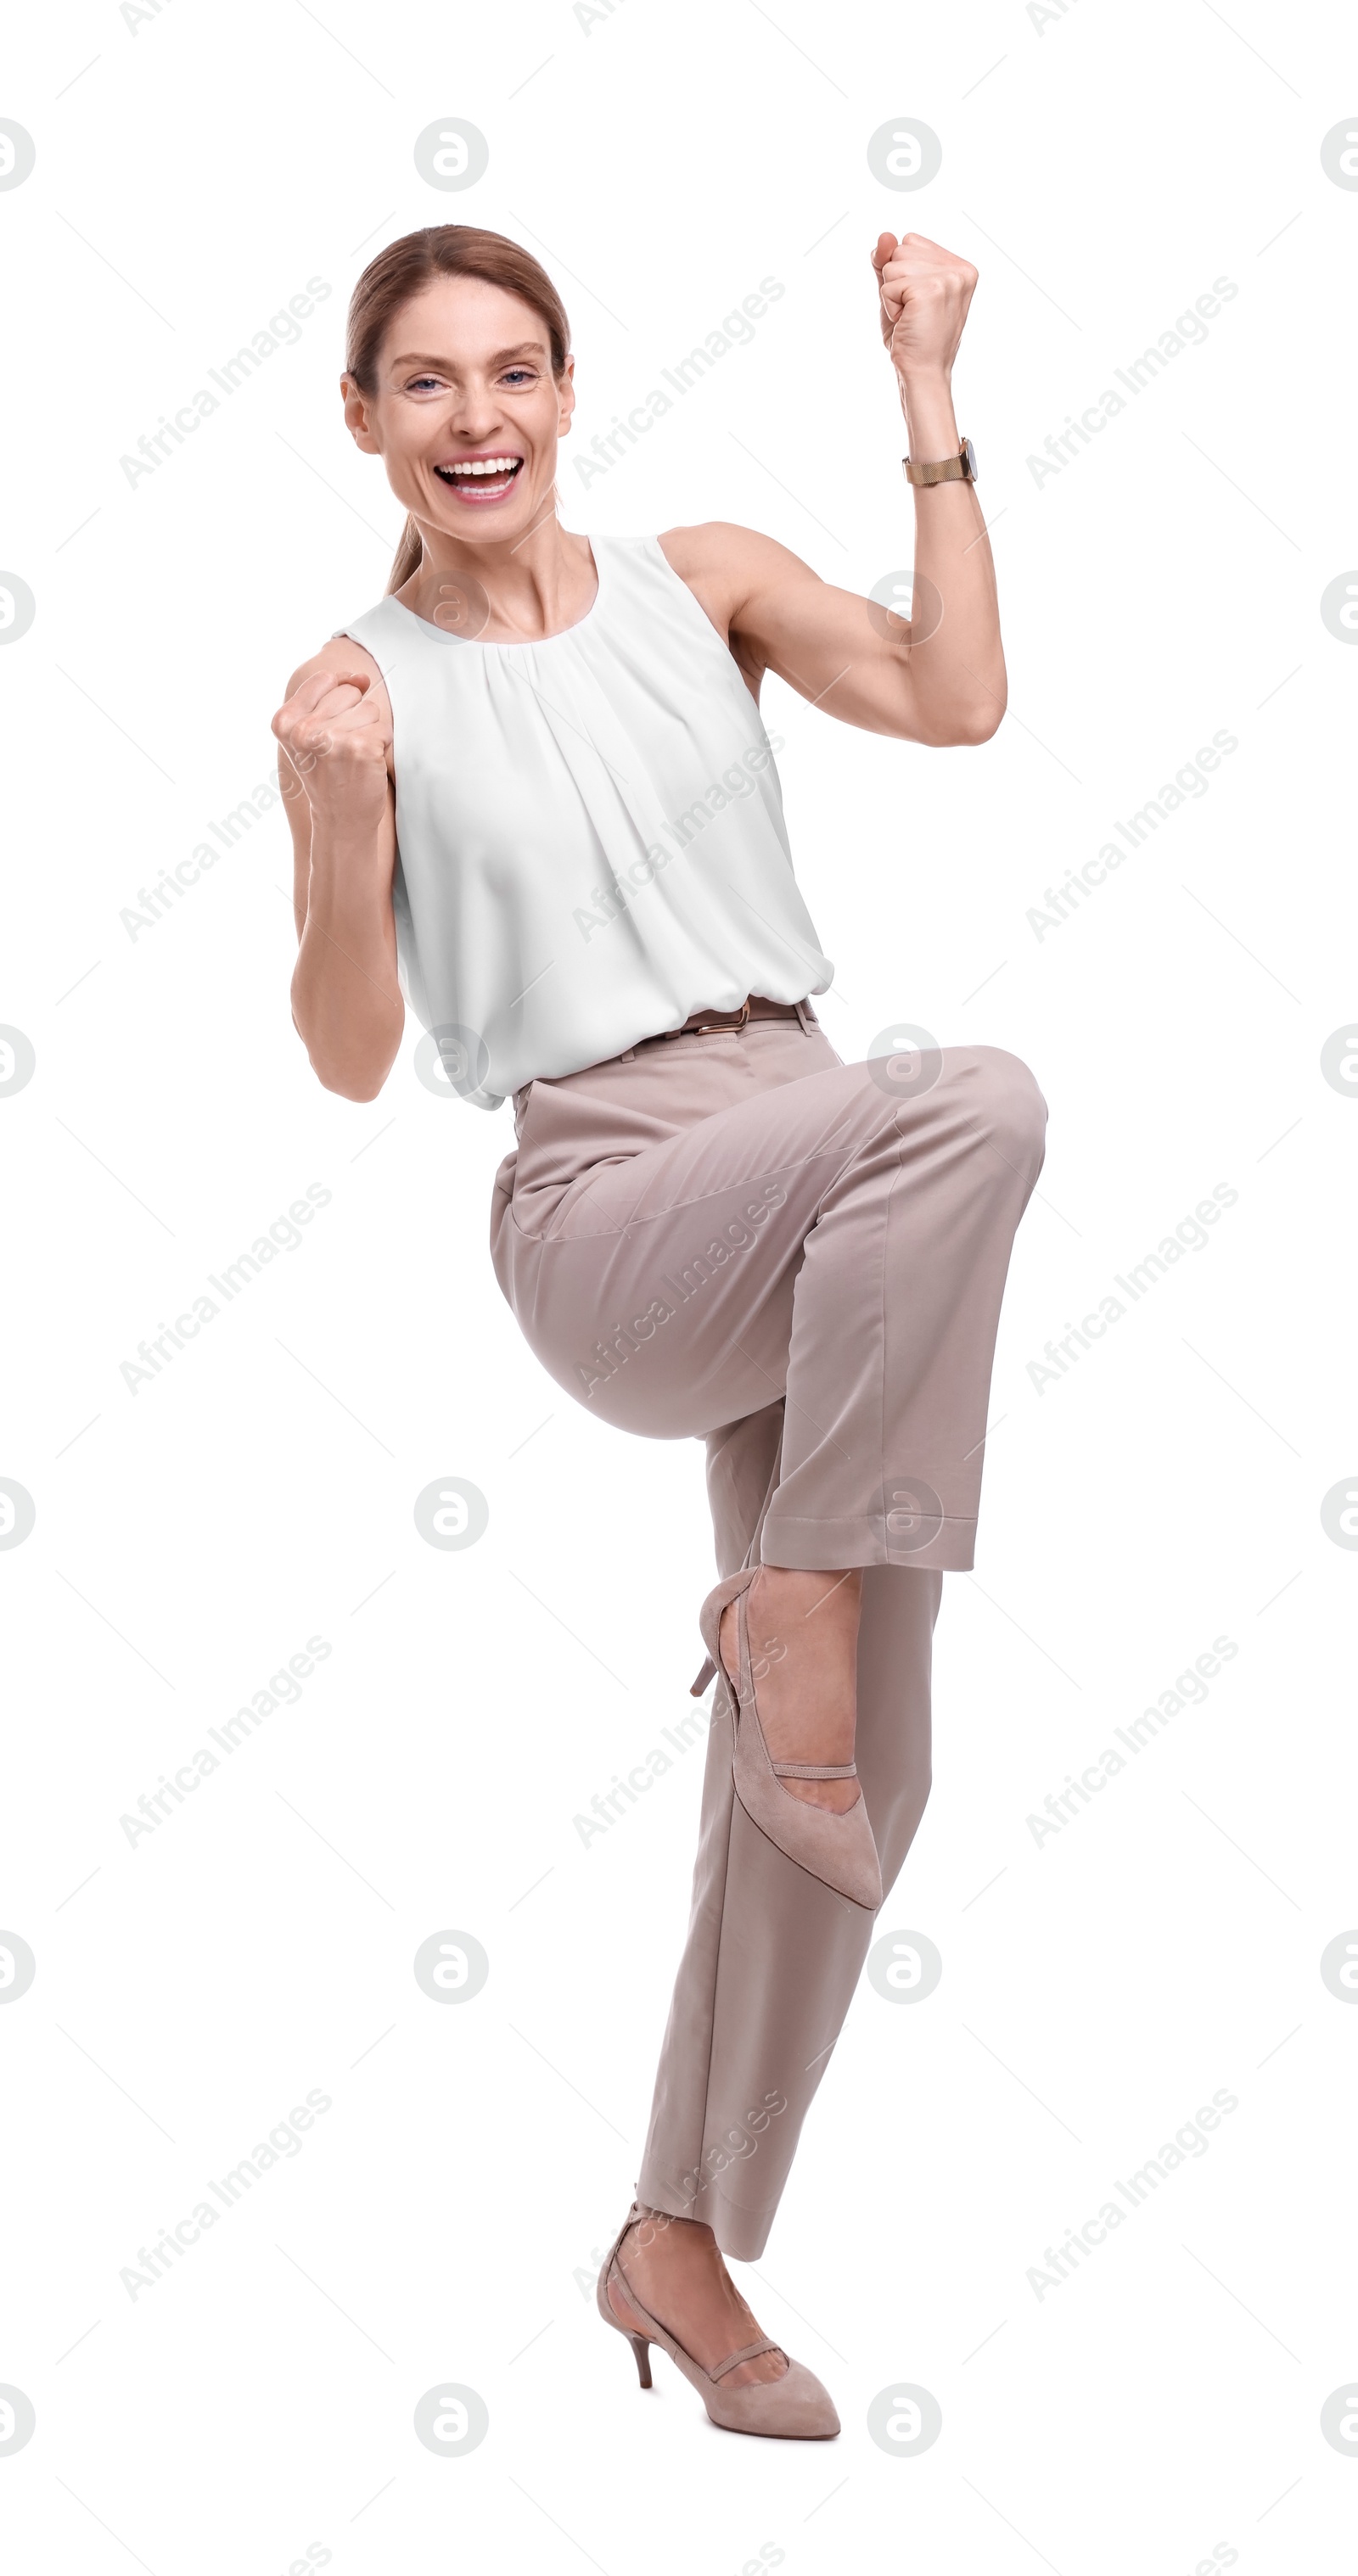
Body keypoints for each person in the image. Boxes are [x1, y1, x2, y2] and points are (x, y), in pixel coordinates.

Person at [274, 221, 1047, 2441]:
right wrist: (338, 830)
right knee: (974, 1098)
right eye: (426, 384)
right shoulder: (355, 687)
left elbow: (958, 696)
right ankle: (789, 1588)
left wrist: (925, 392)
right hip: (616, 1206)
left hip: (826, 1183)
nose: (480, 418)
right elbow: (346, 1048)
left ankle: (676, 2238)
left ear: (568, 385)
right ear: (363, 422)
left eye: (514, 371)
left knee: (856, 1775)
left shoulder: (702, 578)